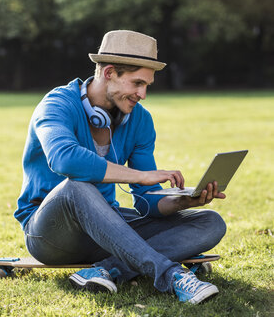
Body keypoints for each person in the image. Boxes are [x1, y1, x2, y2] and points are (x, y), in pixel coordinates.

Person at [15, 30, 227, 304]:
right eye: (137, 83)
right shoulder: (56, 105)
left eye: (147, 85)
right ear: (109, 72)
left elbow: (145, 202)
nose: (143, 94)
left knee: (209, 222)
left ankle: (107, 269)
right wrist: (141, 175)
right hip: (51, 234)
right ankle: (171, 275)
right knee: (77, 185)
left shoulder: (140, 120)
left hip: (107, 229)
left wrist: (183, 202)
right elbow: (64, 158)